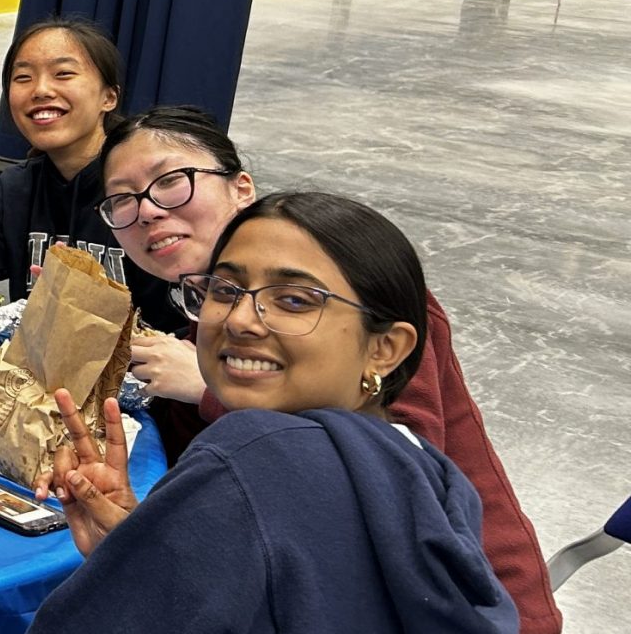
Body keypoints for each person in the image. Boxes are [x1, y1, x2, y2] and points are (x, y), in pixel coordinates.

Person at [92, 106, 561, 632]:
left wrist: (206, 390)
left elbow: (389, 482)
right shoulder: (191, 325)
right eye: (123, 200)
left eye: (171, 181)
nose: (149, 210)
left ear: (240, 186)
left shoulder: (366, 295)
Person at [29, 192, 517, 633]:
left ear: (386, 347)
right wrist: (149, 553)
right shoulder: (428, 470)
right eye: (225, 290)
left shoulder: (252, 454)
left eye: (293, 300)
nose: (240, 319)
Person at [0, 16, 180, 329]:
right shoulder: (18, 190)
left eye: (63, 74)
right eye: (23, 78)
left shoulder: (149, 191)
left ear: (109, 97)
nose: (41, 90)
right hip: (32, 374)